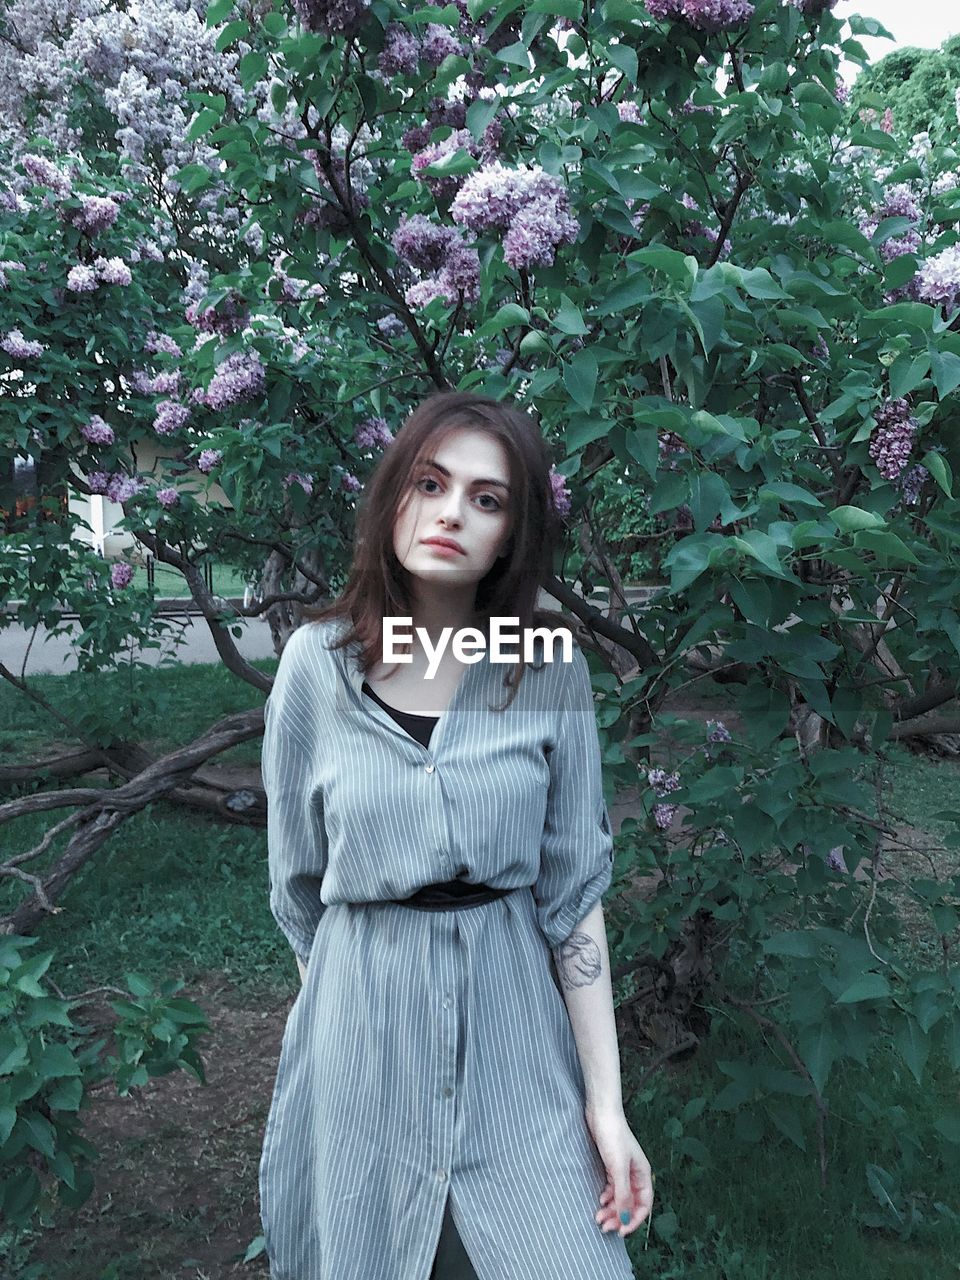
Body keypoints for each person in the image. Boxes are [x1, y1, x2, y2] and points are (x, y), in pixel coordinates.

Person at [258, 390, 654, 1279]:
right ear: (395, 493)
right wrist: (345, 1037)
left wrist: (606, 1105)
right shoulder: (315, 670)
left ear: (511, 534)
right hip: (362, 1027)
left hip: (515, 1026)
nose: (451, 513)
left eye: (487, 498)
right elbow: (298, 890)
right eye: (432, 483)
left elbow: (575, 897)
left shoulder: (548, 669)